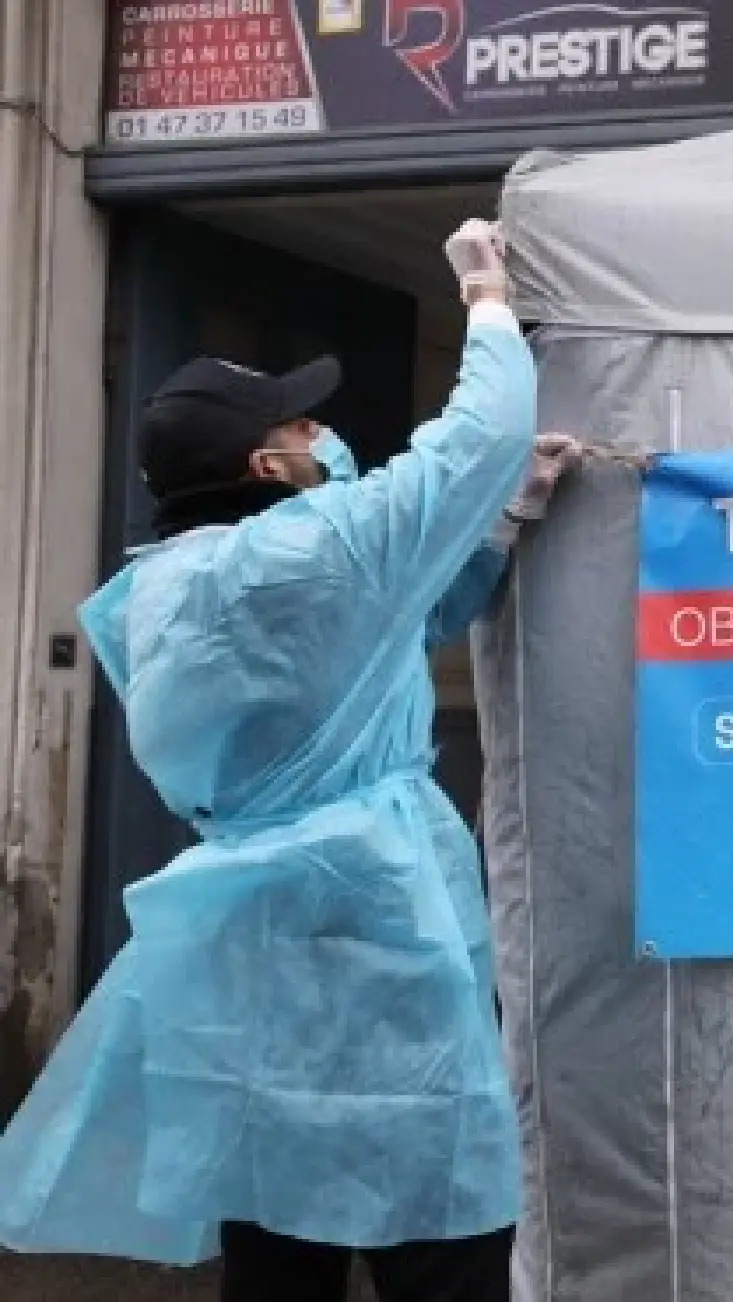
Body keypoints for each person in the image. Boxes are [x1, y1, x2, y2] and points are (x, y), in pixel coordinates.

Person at [0, 219, 577, 1302]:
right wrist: (489, 300)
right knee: (440, 1225)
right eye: (305, 426)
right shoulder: (301, 552)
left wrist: (500, 523)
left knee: (275, 1220)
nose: (326, 433)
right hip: (375, 935)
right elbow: (482, 431)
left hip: (258, 956)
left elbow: (401, 627)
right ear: (269, 465)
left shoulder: (164, 591)